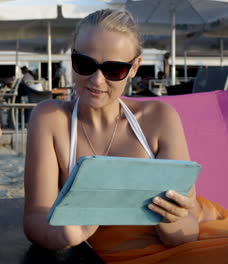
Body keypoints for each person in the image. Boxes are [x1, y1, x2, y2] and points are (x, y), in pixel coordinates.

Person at [23, 9, 228, 264]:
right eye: (85, 65)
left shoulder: (159, 118)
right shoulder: (51, 118)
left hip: (175, 245)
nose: (97, 80)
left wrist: (171, 219)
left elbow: (184, 234)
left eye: (115, 69)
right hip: (96, 252)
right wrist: (72, 231)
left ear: (134, 68)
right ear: (72, 57)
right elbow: (34, 219)